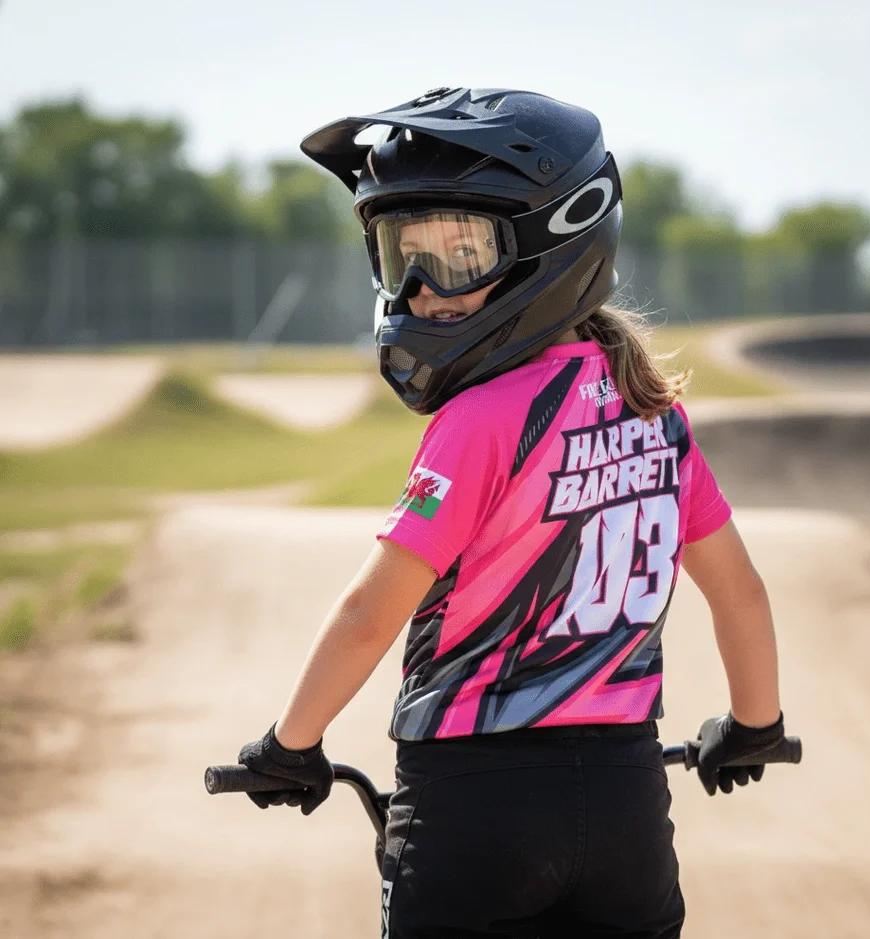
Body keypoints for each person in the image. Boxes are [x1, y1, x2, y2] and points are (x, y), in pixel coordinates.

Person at [236, 87, 785, 939]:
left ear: (552, 245)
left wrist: (291, 742)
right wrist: (754, 726)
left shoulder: (481, 419)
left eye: (457, 256)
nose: (419, 290)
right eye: (399, 256)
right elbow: (740, 591)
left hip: (472, 810)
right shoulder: (657, 417)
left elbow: (371, 611)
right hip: (625, 807)